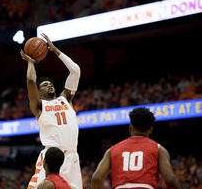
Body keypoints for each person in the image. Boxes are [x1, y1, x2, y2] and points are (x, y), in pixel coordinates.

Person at [20, 33, 82, 189]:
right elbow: (30, 81)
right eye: (44, 85)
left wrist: (55, 50)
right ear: (39, 93)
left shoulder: (65, 99)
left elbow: (75, 71)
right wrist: (30, 63)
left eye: (50, 83)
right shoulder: (40, 106)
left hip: (72, 156)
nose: (49, 85)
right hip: (50, 157)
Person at [91, 107, 181, 189]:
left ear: (130, 128)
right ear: (151, 130)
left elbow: (96, 178)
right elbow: (170, 180)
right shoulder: (159, 149)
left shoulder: (112, 150)